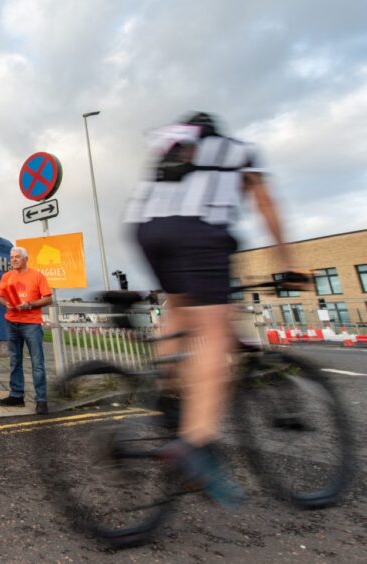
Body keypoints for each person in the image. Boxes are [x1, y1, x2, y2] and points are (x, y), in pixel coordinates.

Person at [124, 111, 305, 507]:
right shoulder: (235, 150)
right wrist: (286, 260)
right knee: (215, 332)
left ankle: (168, 396)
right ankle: (194, 443)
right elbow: (265, 202)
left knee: (179, 315)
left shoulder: (170, 147)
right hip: (199, 228)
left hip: (145, 227)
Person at [0, 247, 53, 414]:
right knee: (15, 361)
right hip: (11, 322)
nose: (13, 260)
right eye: (12, 257)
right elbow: (0, 296)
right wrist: (5, 303)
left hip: (31, 324)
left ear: (26, 259)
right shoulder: (6, 276)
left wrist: (29, 304)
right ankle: (16, 395)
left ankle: (41, 399)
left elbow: (48, 298)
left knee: (37, 363)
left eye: (17, 257)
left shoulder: (37, 276)